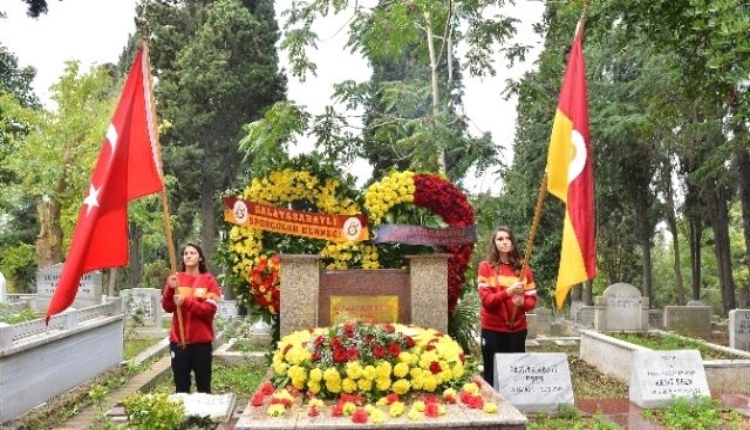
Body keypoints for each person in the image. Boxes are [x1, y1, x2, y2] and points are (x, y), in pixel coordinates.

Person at [477, 226, 537, 386]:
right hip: (492, 330)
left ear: (512, 242)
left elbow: (532, 300)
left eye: (507, 238)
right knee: (491, 373)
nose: (504, 242)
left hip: (517, 330)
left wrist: (522, 303)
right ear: (494, 243)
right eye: (500, 239)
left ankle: (513, 409)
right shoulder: (486, 267)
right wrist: (509, 292)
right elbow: (487, 302)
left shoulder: (524, 269)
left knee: (515, 373)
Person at [162, 242, 221, 393]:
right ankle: (184, 416)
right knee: (181, 386)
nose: (188, 256)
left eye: (192, 253)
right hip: (179, 342)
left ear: (200, 258)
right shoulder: (176, 280)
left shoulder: (209, 281)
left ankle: (204, 416)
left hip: (201, 343)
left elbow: (210, 310)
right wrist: (169, 288)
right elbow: (168, 307)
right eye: (185, 253)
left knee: (204, 385)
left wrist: (186, 302)